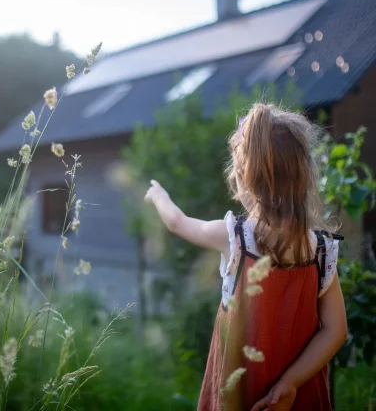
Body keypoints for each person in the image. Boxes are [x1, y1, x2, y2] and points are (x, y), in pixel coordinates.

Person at [145, 103, 348, 410]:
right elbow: (336, 330)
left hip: (238, 393)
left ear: (243, 177)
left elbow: (177, 222)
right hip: (298, 398)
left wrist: (158, 195)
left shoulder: (236, 240)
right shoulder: (321, 251)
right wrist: (289, 383)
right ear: (304, 176)